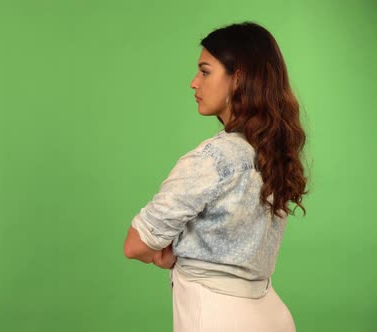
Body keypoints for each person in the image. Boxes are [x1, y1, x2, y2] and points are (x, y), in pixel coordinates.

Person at [123, 21, 307, 332]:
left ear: (239, 78)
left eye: (205, 71)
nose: (194, 82)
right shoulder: (274, 153)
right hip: (272, 316)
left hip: (216, 317)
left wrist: (165, 254)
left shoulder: (212, 159)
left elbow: (136, 245)